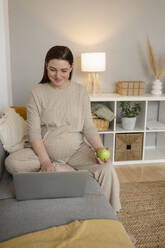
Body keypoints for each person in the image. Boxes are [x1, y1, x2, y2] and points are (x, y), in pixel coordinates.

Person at [5, 45, 121, 213]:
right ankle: (63, 169)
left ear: (71, 68)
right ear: (46, 66)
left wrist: (99, 149)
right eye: (53, 69)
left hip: (75, 152)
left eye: (64, 70)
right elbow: (34, 133)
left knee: (106, 168)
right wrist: (45, 161)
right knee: (12, 162)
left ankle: (113, 219)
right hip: (43, 152)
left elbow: (88, 127)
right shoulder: (36, 92)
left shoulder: (80, 92)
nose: (58, 75)